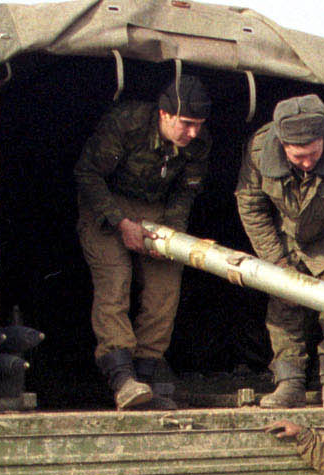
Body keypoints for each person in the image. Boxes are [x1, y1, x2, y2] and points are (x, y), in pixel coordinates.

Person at [74, 77, 212, 409]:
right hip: (107, 203)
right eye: (187, 124)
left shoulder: (198, 142)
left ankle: (147, 374)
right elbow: (87, 174)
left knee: (165, 288)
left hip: (157, 210)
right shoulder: (129, 123)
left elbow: (185, 192)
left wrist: (173, 233)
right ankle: (122, 378)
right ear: (165, 114)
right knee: (115, 281)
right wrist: (120, 222)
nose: (193, 133)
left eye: (199, 125)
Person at [236, 95, 324, 411]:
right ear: (281, 144)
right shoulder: (257, 150)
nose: (307, 163)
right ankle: (289, 382)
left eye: (313, 154)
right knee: (283, 305)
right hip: (284, 239)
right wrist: (276, 261)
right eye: (298, 156)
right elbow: (251, 205)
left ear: (323, 139)